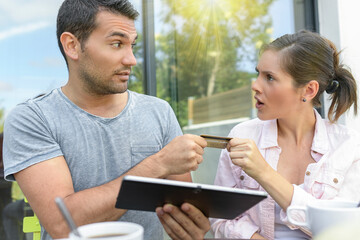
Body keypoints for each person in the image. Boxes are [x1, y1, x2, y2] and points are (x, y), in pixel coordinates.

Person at [2, 0, 207, 239]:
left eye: (132, 45)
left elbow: (185, 212)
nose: (131, 59)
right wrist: (157, 164)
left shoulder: (159, 112)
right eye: (117, 44)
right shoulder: (33, 119)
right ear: (72, 46)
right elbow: (61, 224)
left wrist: (194, 224)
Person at [156, 30, 360, 240]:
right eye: (258, 73)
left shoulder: (348, 146)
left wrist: (264, 172)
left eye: (270, 77)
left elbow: (340, 232)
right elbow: (222, 220)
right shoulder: (242, 135)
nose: (255, 85)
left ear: (308, 90)